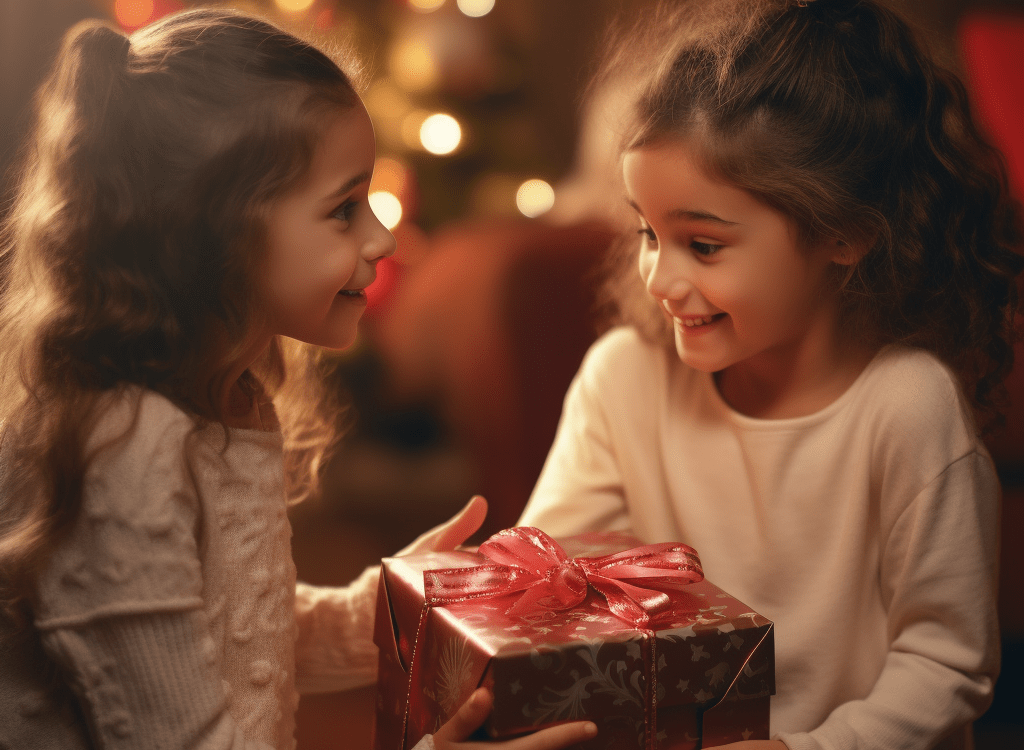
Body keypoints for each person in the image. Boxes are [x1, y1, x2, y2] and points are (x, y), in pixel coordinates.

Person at [0, 9, 597, 750]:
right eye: (344, 209)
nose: (383, 237)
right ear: (215, 232)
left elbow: (239, 640)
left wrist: (398, 602)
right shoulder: (122, 452)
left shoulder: (221, 393)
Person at [518, 0, 1024, 749]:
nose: (659, 278)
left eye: (704, 245)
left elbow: (947, 665)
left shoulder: (909, 409)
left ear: (844, 233)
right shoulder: (623, 379)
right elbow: (548, 580)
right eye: (648, 233)